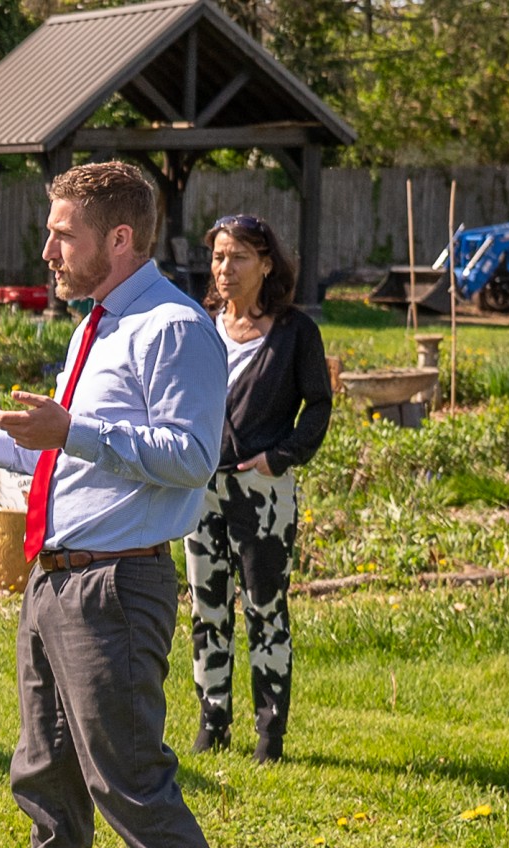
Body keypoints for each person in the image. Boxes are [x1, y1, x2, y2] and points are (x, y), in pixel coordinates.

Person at [0, 163, 275, 848]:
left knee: (132, 783)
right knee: (45, 774)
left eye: (62, 233)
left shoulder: (173, 328)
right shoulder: (99, 324)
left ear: (119, 238)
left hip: (115, 586)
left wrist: (72, 428)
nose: (47, 249)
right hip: (57, 578)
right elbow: (74, 454)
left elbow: (191, 457)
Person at [187, 214, 332, 763]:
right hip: (201, 491)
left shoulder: (295, 333)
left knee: (265, 609)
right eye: (219, 257)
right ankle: (212, 724)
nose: (225, 268)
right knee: (207, 608)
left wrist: (281, 457)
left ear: (267, 264)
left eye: (239, 257)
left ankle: (270, 736)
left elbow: (318, 406)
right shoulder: (200, 327)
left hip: (264, 495)